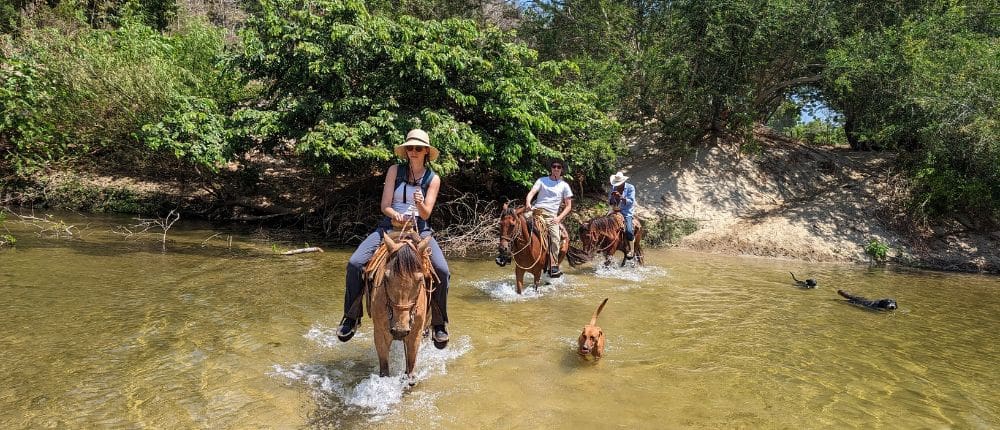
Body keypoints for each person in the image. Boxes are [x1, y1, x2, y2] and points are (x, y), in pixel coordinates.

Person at [336, 128, 451, 348]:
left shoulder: (432, 179)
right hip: (389, 227)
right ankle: (351, 317)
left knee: (443, 271)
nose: (413, 152)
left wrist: (419, 203)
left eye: (418, 148)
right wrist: (394, 214)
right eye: (410, 148)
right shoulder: (394, 171)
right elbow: (385, 205)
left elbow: (426, 213)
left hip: (420, 229)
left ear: (426, 151)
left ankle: (438, 323)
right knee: (355, 263)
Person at [525, 159, 573, 277]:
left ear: (562, 170)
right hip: (536, 211)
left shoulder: (564, 185)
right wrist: (528, 203)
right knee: (516, 225)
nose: (556, 169)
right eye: (554, 166)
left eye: (558, 167)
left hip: (551, 215)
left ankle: (553, 266)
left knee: (555, 237)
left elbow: (568, 206)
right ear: (551, 168)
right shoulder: (542, 180)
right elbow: (532, 193)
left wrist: (558, 218)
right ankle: (506, 256)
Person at [608, 171, 637, 259]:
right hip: (614, 211)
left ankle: (632, 251)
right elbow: (610, 201)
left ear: (623, 181)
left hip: (626, 212)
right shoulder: (614, 187)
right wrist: (613, 198)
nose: (617, 185)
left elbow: (631, 201)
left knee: (628, 231)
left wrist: (620, 197)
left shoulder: (630, 187)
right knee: (603, 225)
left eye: (618, 183)